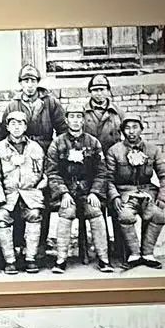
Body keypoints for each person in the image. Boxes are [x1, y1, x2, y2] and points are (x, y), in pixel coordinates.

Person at [46, 100, 113, 273]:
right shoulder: (57, 143)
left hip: (88, 191)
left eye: (78, 117)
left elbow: (101, 172)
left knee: (95, 211)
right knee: (66, 212)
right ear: (66, 120)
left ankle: (104, 259)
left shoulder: (93, 142)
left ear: (83, 120)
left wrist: (95, 192)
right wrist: (63, 193)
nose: (75, 120)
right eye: (72, 117)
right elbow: (52, 172)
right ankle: (61, 259)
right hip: (67, 190)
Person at [0, 109, 48, 274]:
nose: (16, 127)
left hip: (30, 193)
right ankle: (10, 260)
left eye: (20, 124)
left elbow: (44, 172)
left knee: (34, 214)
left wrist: (39, 187)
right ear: (7, 127)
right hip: (9, 194)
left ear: (25, 127)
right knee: (2, 216)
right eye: (13, 124)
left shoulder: (35, 148)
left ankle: (30, 258)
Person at [107, 116, 165, 269]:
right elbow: (108, 178)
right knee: (125, 215)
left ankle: (148, 254)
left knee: (158, 215)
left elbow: (164, 175)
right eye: (127, 128)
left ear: (141, 129)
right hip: (125, 192)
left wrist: (163, 197)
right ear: (122, 131)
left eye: (135, 127)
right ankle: (134, 254)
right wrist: (114, 196)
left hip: (148, 192)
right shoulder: (115, 150)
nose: (131, 132)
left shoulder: (152, 149)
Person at [2, 63, 67, 150]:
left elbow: (63, 128)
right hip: (21, 149)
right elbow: (4, 132)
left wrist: (57, 148)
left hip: (46, 148)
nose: (30, 85)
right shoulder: (13, 105)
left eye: (33, 81)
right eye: (26, 81)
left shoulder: (50, 102)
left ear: (37, 82)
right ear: (21, 83)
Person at [82, 74, 125, 150]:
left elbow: (127, 133)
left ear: (108, 91)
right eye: (95, 90)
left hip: (113, 153)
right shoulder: (83, 111)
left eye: (102, 90)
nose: (99, 93)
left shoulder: (118, 111)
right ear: (90, 92)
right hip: (91, 153)